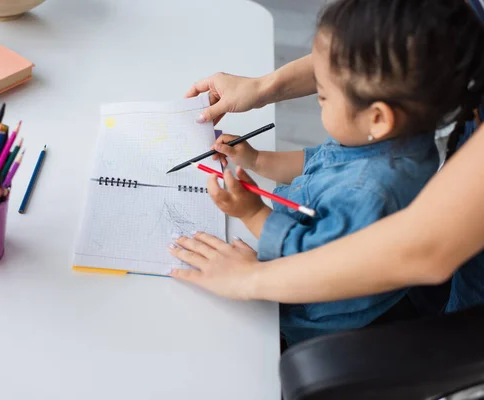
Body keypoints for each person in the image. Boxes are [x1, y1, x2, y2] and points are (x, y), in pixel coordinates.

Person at [169, 0, 484, 322]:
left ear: (377, 117)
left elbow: (307, 255)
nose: (319, 101)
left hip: (309, 312)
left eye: (323, 96)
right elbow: (321, 164)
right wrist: (258, 158)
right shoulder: (386, 139)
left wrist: (252, 213)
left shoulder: (369, 190)